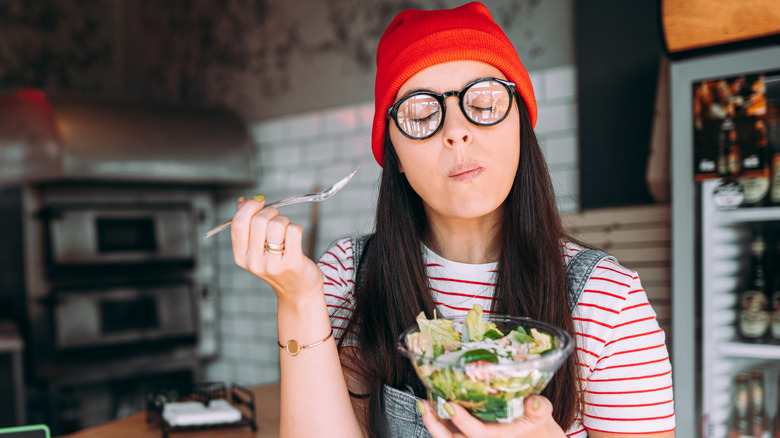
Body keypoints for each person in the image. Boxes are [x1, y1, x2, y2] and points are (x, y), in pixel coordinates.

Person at [230, 2, 675, 437]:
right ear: (395, 156)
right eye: (421, 115)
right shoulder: (347, 275)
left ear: (520, 121)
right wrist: (299, 298)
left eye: (483, 102)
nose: (455, 130)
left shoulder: (609, 302)